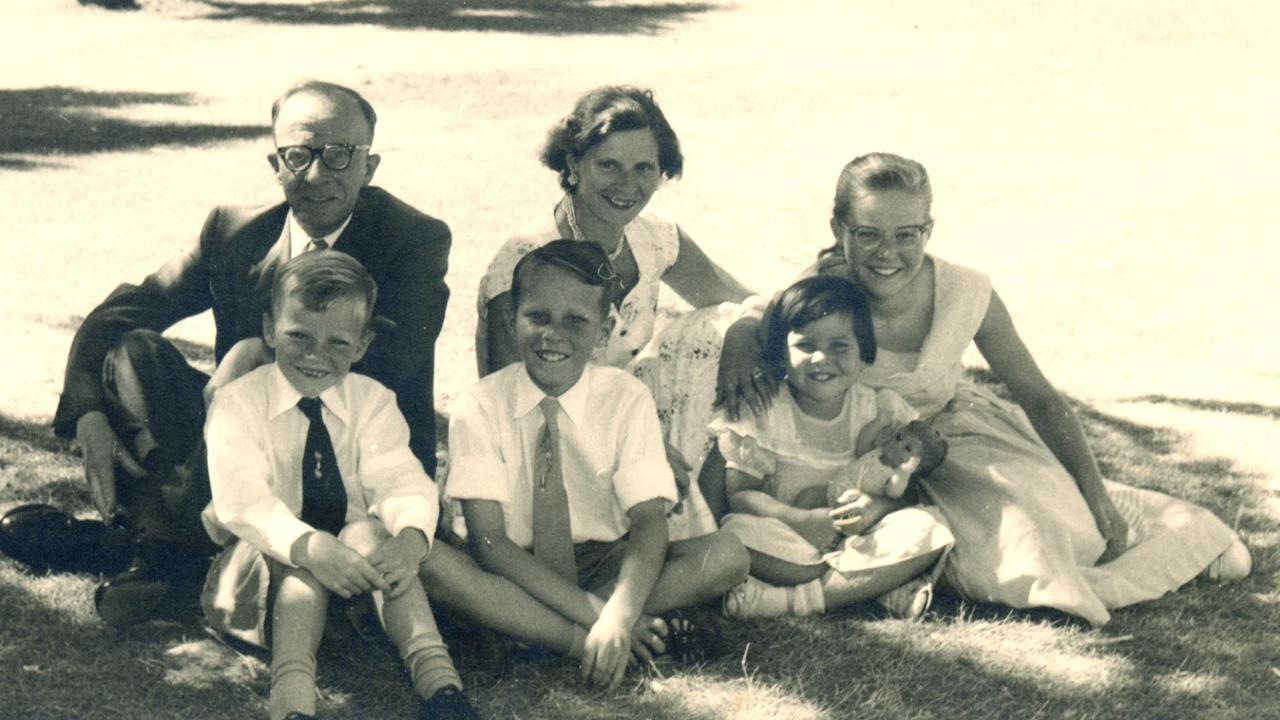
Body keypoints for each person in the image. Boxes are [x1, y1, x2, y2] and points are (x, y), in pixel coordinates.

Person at [717, 152, 1252, 625]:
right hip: (852, 458)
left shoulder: (965, 290)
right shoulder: (822, 284)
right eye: (868, 234)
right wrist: (743, 329)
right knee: (994, 562)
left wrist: (1095, 496)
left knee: (1039, 547)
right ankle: (894, 580)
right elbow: (764, 313)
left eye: (908, 233)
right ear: (840, 228)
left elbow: (1039, 396)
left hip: (950, 442)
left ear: (929, 229)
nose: (887, 253)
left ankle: (1116, 505)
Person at [0, 80, 452, 624]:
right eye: (298, 155)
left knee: (245, 404)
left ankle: (150, 552)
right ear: (275, 163)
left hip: (353, 452)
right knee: (135, 354)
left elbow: (388, 361)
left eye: (339, 155)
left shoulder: (414, 239)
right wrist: (90, 412)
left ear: (369, 166)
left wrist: (254, 353)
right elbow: (121, 313)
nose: (317, 174)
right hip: (242, 446)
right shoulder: (235, 229)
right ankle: (171, 550)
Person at [448, 240, 749, 688]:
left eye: (576, 320)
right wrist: (603, 617)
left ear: (605, 330)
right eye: (538, 317)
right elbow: (490, 542)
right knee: (434, 566)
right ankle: (580, 636)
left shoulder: (626, 398)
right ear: (511, 320)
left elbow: (649, 523)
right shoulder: (479, 403)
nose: (554, 335)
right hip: (512, 566)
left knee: (727, 554)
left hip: (601, 561)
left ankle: (523, 630)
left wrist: (620, 610)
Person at [201, 252, 478, 720]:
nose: (316, 356)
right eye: (299, 337)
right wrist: (309, 545)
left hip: (358, 569)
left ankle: (440, 687)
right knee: (302, 560)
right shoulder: (237, 403)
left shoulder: (372, 401)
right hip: (263, 568)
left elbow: (399, 478)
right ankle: (292, 700)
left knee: (372, 535)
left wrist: (410, 537)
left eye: (338, 343)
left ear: (363, 343)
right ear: (270, 330)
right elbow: (242, 500)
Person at [475, 85, 759, 540]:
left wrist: (746, 323)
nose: (628, 185)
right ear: (573, 165)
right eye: (608, 165)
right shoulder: (528, 259)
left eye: (644, 168)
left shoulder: (655, 238)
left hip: (625, 419)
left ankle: (715, 506)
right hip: (548, 446)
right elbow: (517, 402)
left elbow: (742, 297)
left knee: (719, 328)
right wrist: (641, 446)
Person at [712, 276, 954, 620]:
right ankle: (876, 588)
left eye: (840, 346)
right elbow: (740, 495)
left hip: (859, 537)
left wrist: (876, 506)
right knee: (737, 532)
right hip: (789, 539)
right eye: (806, 346)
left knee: (927, 528)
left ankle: (787, 601)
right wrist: (800, 521)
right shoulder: (766, 412)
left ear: (864, 355)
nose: (821, 359)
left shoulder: (879, 410)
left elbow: (907, 487)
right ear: (781, 353)